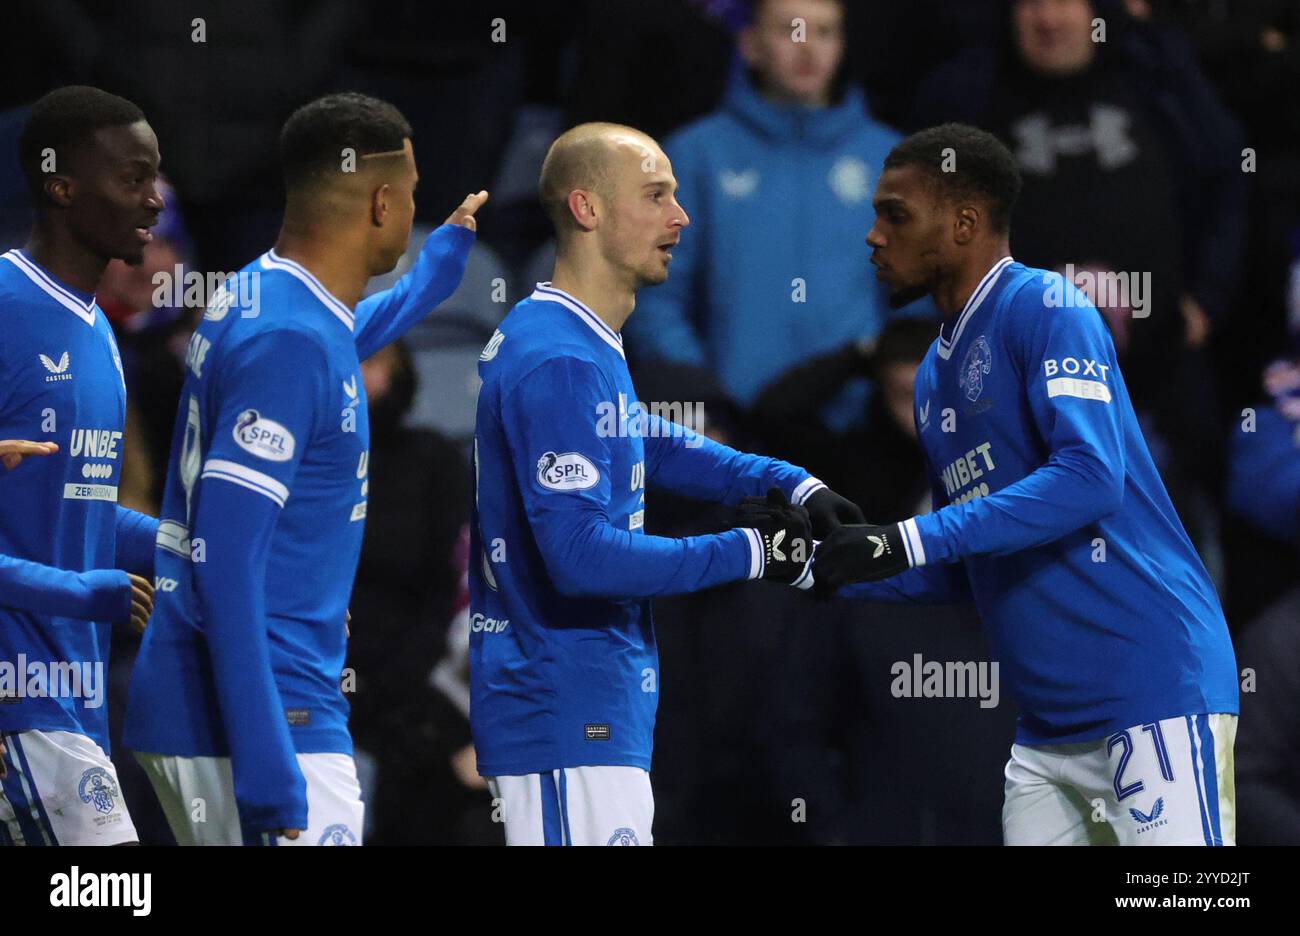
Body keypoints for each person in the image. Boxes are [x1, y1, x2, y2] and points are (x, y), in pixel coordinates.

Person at [812, 123, 1239, 846]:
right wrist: (827, 565)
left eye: (896, 214)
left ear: (965, 222)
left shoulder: (1046, 308)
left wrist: (906, 538)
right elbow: (964, 564)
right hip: (1047, 734)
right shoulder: (934, 378)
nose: (874, 237)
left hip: (1150, 689)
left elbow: (1089, 478)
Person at [470, 121, 863, 846]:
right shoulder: (560, 358)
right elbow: (580, 556)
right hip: (564, 712)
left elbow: (646, 437)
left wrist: (788, 481)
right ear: (587, 209)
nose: (680, 217)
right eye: (656, 196)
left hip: (589, 714)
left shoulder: (575, 339)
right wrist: (748, 553)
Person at [122, 92, 487, 846]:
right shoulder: (288, 338)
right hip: (259, 712)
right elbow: (222, 559)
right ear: (383, 201)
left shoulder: (264, 295)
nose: (416, 205)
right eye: (413, 189)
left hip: (263, 696)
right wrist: (264, 759)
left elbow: (329, 348)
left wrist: (429, 279)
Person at [626, 0, 931, 434]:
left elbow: (915, 302)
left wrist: (895, 380)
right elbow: (656, 295)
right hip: (729, 427)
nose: (808, 49)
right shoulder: (693, 155)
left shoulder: (894, 161)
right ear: (749, 45)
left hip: (855, 429)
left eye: (824, 33)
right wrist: (700, 397)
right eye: (792, 30)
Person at [0, 86, 161, 846]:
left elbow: (85, 509)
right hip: (18, 701)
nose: (155, 200)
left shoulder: (97, 329)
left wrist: (203, 552)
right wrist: (80, 591)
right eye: (133, 179)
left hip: (72, 695)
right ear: (62, 186)